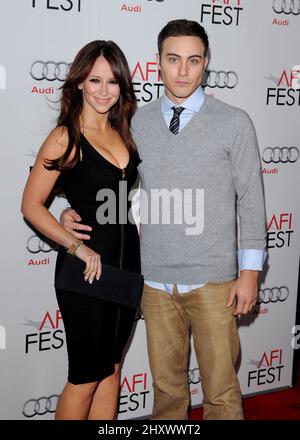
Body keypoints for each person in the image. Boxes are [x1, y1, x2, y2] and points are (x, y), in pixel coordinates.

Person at [61, 20, 266, 420]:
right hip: (154, 283)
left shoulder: (235, 122)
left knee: (222, 393)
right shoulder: (133, 122)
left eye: (193, 60)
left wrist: (250, 273)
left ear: (206, 63)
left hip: (215, 282)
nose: (183, 71)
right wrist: (70, 209)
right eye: (174, 59)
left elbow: (252, 201)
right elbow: (103, 174)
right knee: (167, 393)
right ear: (158, 63)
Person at [21, 40, 141, 420]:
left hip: (126, 271)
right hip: (85, 272)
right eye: (95, 80)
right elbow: (30, 205)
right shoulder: (65, 137)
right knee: (86, 377)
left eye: (112, 81)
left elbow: (102, 194)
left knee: (111, 371)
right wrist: (76, 245)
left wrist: (71, 207)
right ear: (78, 84)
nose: (104, 90)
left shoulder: (123, 132)